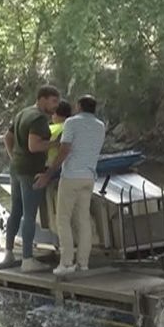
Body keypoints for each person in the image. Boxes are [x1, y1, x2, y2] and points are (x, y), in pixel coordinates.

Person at [35, 94, 105, 276]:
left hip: (71, 176)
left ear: (79, 106)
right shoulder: (100, 126)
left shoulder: (71, 123)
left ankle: (66, 262)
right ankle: (83, 263)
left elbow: (64, 150)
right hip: (89, 177)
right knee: (83, 220)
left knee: (63, 219)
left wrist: (49, 173)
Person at [0, 85, 60, 272]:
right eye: (53, 101)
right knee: (30, 215)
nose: (55, 106)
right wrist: (55, 144)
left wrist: (14, 157)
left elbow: (7, 137)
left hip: (16, 168)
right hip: (31, 171)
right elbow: (34, 146)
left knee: (15, 211)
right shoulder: (39, 118)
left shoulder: (23, 113)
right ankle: (27, 259)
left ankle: (8, 253)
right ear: (42, 99)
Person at [42, 99, 72, 231]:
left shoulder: (51, 129)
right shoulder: (74, 127)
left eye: (53, 114)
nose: (52, 117)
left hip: (53, 170)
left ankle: (45, 224)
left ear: (57, 114)